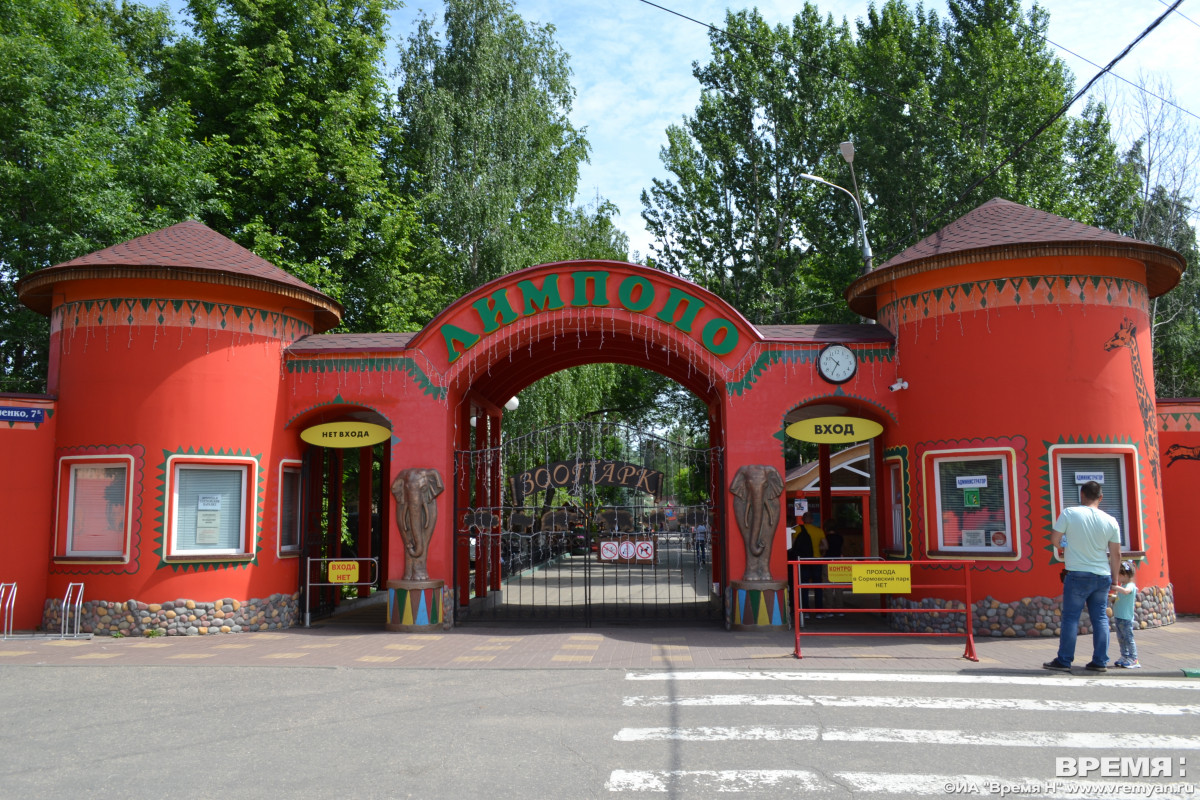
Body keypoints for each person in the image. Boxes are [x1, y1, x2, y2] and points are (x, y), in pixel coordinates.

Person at [1044, 480, 1122, 673]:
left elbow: (1054, 539)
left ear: (1082, 495)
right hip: (1102, 575)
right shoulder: (1111, 520)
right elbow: (1116, 554)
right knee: (1100, 618)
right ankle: (1100, 661)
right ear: (1100, 498)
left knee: (1071, 618)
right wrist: (1115, 579)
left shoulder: (1070, 513)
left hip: (1077, 573)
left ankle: (1064, 660)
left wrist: (1066, 546)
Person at [790, 513, 828, 617]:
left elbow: (792, 545)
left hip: (803, 560)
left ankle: (805, 611)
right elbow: (825, 546)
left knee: (803, 586)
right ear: (812, 520)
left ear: (803, 520)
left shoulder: (797, 529)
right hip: (816, 560)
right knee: (818, 586)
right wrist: (817, 549)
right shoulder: (818, 530)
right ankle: (819, 612)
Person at [1111, 560, 1141, 669]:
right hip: (1119, 616)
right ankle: (1125, 656)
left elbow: (1126, 591)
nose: (1117, 578)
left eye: (1118, 575)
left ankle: (1134, 659)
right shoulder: (1123, 585)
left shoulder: (1130, 585)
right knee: (1121, 638)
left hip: (1126, 618)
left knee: (1128, 638)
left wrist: (1115, 587)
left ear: (1125, 575)